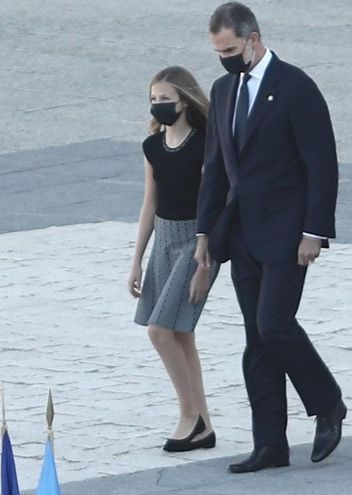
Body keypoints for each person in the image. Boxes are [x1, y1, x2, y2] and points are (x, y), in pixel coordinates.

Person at [192, 1, 346, 473]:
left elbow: (322, 165)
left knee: (274, 325)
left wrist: (314, 232)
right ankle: (270, 444)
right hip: (241, 234)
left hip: (287, 233)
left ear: (254, 38)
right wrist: (205, 232)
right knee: (256, 341)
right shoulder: (222, 91)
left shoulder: (295, 87)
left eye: (232, 49)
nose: (225, 58)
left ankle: (328, 402)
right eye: (218, 51)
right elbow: (216, 167)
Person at [129, 65, 219, 452]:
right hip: (164, 239)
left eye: (166, 98)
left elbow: (215, 201)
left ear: (184, 99)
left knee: (159, 330)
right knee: (181, 332)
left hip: (196, 241)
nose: (159, 105)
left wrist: (205, 260)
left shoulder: (204, 144)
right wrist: (137, 258)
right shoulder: (152, 147)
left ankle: (190, 415)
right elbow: (150, 202)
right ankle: (204, 423)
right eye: (154, 99)